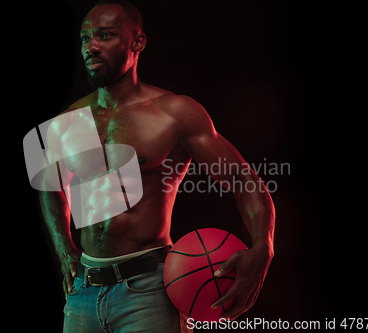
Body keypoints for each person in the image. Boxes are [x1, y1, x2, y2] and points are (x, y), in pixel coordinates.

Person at [39, 0, 275, 331]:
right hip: (83, 295)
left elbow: (242, 177)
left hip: (148, 292)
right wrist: (64, 249)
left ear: (137, 42)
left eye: (104, 35)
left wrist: (263, 245)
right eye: (84, 38)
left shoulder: (174, 113)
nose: (91, 46)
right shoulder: (66, 120)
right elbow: (50, 185)